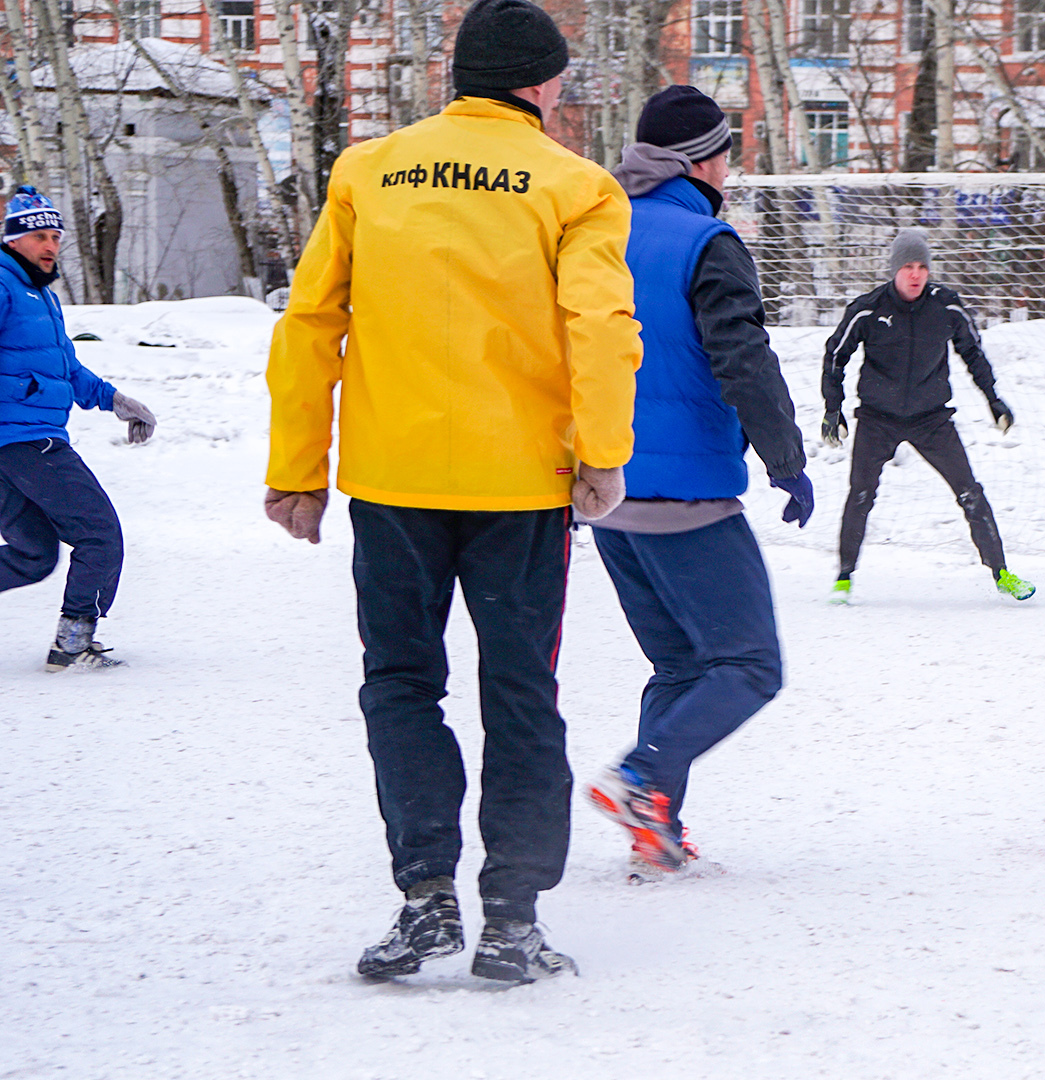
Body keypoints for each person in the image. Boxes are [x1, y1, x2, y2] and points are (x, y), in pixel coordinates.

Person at [265, 0, 641, 984]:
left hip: (392, 483)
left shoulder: (369, 171)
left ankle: (424, 894)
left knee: (399, 683)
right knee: (520, 691)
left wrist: (299, 468)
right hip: (518, 485)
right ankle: (511, 919)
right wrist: (602, 452)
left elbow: (310, 320)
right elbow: (598, 323)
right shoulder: (577, 186)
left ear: (460, 74)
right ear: (543, 83)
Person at [581, 86, 811, 880]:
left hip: (606, 494)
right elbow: (743, 356)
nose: (729, 168)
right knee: (749, 665)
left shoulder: (595, 228)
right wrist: (786, 459)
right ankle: (641, 778)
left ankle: (655, 831)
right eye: (724, 153)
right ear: (700, 161)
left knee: (679, 668)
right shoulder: (707, 241)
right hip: (688, 500)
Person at [820, 229, 1034, 603]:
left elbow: (974, 354)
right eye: (907, 267)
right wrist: (832, 408)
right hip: (877, 418)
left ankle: (1002, 573)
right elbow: (835, 356)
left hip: (931, 418)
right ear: (894, 270)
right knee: (860, 495)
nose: (916, 274)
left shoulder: (946, 306)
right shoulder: (869, 309)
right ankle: (843, 577)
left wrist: (994, 400)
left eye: (922, 266)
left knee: (969, 492)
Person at [0, 185, 156, 672]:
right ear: (13, 240)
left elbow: (65, 369)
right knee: (100, 535)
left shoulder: (40, 296)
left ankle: (72, 641)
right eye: (40, 236)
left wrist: (114, 400)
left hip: (18, 443)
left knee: (34, 553)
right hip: (26, 441)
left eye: (56, 236)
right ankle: (73, 644)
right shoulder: (4, 286)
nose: (51, 245)